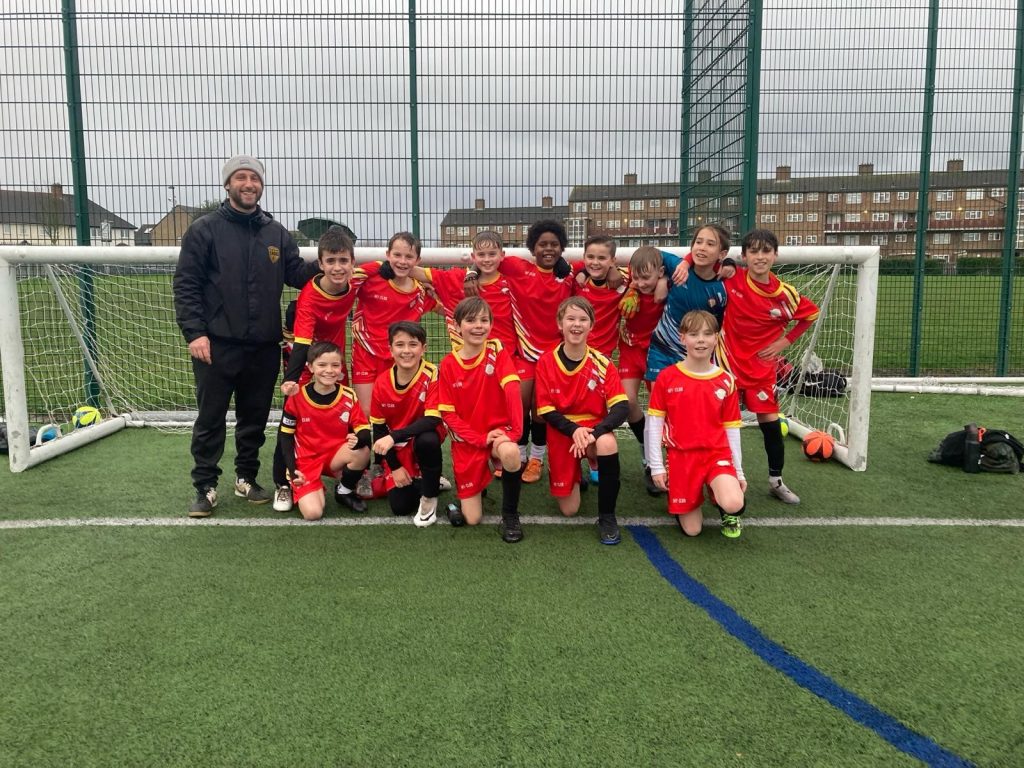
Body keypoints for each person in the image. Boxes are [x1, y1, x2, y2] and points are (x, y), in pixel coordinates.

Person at [173, 154, 318, 518]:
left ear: (261, 185)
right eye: (241, 178)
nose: (248, 184)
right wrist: (195, 333)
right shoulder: (204, 229)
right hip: (216, 344)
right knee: (211, 418)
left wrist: (333, 261)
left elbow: (297, 274)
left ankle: (246, 478)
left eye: (254, 178)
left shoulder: (276, 232)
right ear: (228, 185)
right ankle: (205, 486)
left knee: (254, 419)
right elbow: (186, 284)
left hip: (264, 346)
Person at [720, 228, 819, 505]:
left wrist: (784, 342)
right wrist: (727, 263)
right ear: (744, 256)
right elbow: (705, 263)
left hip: (761, 370)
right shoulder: (732, 279)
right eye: (753, 251)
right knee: (723, 425)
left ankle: (776, 481)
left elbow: (811, 314)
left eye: (766, 251)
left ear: (775, 255)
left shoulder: (785, 295)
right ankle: (725, 478)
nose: (760, 257)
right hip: (726, 365)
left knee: (771, 425)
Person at [271, 226, 366, 512]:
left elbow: (392, 267)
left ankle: (346, 479)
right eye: (331, 261)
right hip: (308, 365)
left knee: (346, 417)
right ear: (320, 264)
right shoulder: (309, 298)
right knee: (291, 421)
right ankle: (284, 482)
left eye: (343, 261)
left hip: (335, 365)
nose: (338, 267)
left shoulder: (357, 279)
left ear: (352, 263)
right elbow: (301, 344)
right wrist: (290, 380)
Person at [478, 219, 573, 485]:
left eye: (554, 244)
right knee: (519, 404)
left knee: (542, 411)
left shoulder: (570, 273)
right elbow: (485, 260)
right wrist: (471, 274)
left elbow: (601, 267)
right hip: (525, 354)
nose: (548, 249)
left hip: (555, 357)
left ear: (562, 247)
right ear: (533, 247)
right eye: (542, 244)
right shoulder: (517, 268)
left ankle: (537, 459)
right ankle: (518, 455)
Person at [534, 297, 629, 545]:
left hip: (593, 432)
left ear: (591, 325)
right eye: (571, 319)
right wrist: (574, 430)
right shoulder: (546, 362)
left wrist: (594, 433)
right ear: (560, 324)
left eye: (583, 319)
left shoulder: (602, 362)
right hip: (563, 431)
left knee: (608, 443)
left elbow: (621, 407)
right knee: (569, 510)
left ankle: (607, 517)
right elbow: (546, 410)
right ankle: (575, 474)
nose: (576, 325)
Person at [645, 310, 747, 538]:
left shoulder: (726, 380)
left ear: (716, 338)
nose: (701, 340)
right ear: (682, 338)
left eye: (707, 334)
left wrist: (738, 472)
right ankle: (688, 497)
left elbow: (731, 430)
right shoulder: (666, 377)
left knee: (733, 502)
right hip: (681, 456)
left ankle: (724, 503)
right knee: (693, 530)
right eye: (694, 334)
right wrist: (657, 466)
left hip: (716, 454)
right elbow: (654, 425)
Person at [437, 297, 525, 543]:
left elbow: (512, 389)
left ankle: (510, 516)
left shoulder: (496, 350)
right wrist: (479, 438)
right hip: (469, 440)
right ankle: (462, 499)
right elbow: (448, 415)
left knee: (511, 451)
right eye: (471, 320)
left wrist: (514, 432)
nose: (478, 326)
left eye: (484, 320)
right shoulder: (448, 364)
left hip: (497, 432)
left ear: (491, 324)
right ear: (457, 326)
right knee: (472, 518)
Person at [277, 341, 372, 521]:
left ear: (341, 367)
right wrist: (292, 469)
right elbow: (285, 436)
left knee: (362, 451)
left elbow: (364, 429)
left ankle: (344, 491)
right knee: (313, 514)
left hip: (335, 457)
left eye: (335, 365)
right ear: (311, 367)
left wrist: (359, 439)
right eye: (322, 365)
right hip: (306, 462)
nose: (329, 370)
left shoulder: (348, 395)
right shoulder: (297, 397)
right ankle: (313, 487)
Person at [351, 232, 436, 417]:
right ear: (388, 255)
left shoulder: (420, 292)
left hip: (399, 357)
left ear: (417, 261)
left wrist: (438, 289)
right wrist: (377, 265)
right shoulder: (372, 280)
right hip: (366, 354)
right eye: (397, 255)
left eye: (409, 257)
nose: (402, 261)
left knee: (395, 411)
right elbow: (346, 276)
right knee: (367, 411)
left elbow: (447, 308)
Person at [370, 321, 446, 526]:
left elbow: (433, 419)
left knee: (428, 440)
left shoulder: (433, 374)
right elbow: (379, 429)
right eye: (400, 345)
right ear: (390, 349)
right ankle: (430, 479)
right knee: (400, 507)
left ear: (423, 348)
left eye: (413, 344)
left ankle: (429, 497)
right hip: (398, 447)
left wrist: (393, 436)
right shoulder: (381, 382)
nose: (406, 351)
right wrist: (395, 467)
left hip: (423, 437)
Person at [616, 246, 668, 495]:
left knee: (661, 410)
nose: (640, 282)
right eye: (636, 277)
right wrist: (632, 286)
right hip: (630, 349)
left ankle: (656, 462)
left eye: (646, 278)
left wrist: (665, 282)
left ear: (661, 272)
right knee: (626, 402)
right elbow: (598, 263)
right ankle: (646, 449)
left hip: (658, 352)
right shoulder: (628, 281)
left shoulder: (669, 288)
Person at [417, 230, 516, 352]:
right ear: (473, 257)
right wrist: (398, 265)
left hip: (505, 354)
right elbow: (421, 273)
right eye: (481, 255)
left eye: (492, 254)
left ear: (502, 255)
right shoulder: (458, 279)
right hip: (471, 356)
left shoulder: (512, 281)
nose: (487, 259)